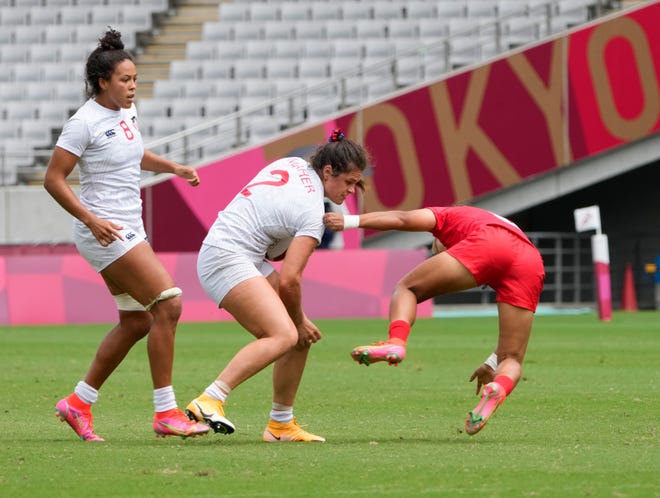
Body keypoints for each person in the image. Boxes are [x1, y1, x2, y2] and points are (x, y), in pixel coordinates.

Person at [44, 29, 209, 441]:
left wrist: (173, 167)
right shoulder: (83, 123)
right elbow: (54, 179)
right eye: (125, 80)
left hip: (127, 227)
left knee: (136, 322)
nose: (133, 86)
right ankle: (166, 413)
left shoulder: (126, 113)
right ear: (103, 82)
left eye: (135, 79)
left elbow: (134, 154)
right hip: (105, 230)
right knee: (168, 304)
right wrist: (91, 219)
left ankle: (78, 403)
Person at [185, 129, 368, 442]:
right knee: (286, 333)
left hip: (237, 251)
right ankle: (210, 399)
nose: (352, 190)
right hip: (227, 256)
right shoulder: (312, 211)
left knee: (300, 337)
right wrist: (297, 320)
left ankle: (280, 425)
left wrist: (300, 322)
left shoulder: (294, 164)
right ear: (328, 172)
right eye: (349, 182)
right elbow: (291, 279)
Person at [323, 206, 545, 435]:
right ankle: (498, 388)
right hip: (530, 259)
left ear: (441, 241)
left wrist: (349, 221)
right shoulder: (485, 219)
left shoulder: (447, 218)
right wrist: (491, 364)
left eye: (437, 252)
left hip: (489, 241)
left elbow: (402, 218)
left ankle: (395, 342)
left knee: (407, 288)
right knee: (512, 358)